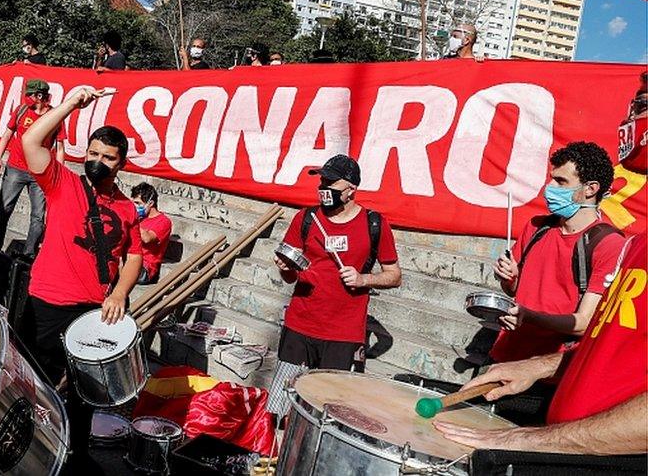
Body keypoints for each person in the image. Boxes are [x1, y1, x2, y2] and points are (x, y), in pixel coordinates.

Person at [19, 88, 143, 472]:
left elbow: (135, 253)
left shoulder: (125, 208)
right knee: (31, 384)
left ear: (121, 164)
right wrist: (71, 104)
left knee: (84, 394)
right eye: (93, 155)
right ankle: (26, 449)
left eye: (108, 157)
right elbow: (30, 140)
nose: (98, 162)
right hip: (47, 302)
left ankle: (72, 455)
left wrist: (120, 292)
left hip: (91, 312)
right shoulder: (63, 184)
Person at [435, 232, 647, 456]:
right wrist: (541, 366)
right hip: (565, 448)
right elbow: (616, 350)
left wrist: (533, 438)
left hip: (605, 458)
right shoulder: (637, 243)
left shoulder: (612, 242)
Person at [267, 154, 401, 415]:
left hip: (343, 333)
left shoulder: (374, 223)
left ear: (351, 189)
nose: (324, 188)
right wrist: (285, 269)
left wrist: (364, 279)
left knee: (327, 408)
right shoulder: (306, 218)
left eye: (331, 183)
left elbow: (394, 275)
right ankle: (275, 451)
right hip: (299, 324)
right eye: (322, 182)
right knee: (280, 405)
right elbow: (290, 275)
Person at [490, 142, 625, 364]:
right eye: (552, 178)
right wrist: (510, 277)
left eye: (561, 181)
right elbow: (514, 290)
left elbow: (583, 323)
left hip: (548, 369)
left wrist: (528, 316)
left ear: (590, 189)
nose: (549, 187)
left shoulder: (608, 244)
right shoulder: (536, 226)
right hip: (505, 354)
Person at [0, 79, 65, 258]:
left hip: (40, 173)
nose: (26, 98)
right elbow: (8, 134)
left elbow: (60, 147)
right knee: (4, 209)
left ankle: (28, 255)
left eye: (29, 94)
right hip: (15, 168)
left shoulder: (55, 116)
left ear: (39, 96)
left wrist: (59, 173)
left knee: (38, 215)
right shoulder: (22, 110)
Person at [130, 182, 172, 285]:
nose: (135, 206)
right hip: (130, 260)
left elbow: (147, 238)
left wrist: (131, 219)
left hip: (145, 268)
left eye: (138, 203)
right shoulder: (141, 219)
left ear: (151, 203)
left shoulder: (163, 221)